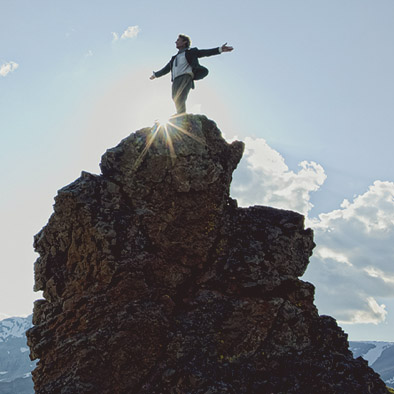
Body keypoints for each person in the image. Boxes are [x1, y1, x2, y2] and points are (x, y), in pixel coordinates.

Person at [150, 34, 233, 114]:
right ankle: (180, 113)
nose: (176, 42)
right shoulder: (174, 58)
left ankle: (181, 115)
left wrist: (220, 49)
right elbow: (165, 69)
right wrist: (155, 75)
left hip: (186, 76)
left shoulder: (191, 52)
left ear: (184, 42)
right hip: (176, 79)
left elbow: (205, 52)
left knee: (181, 96)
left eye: (178, 40)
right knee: (175, 97)